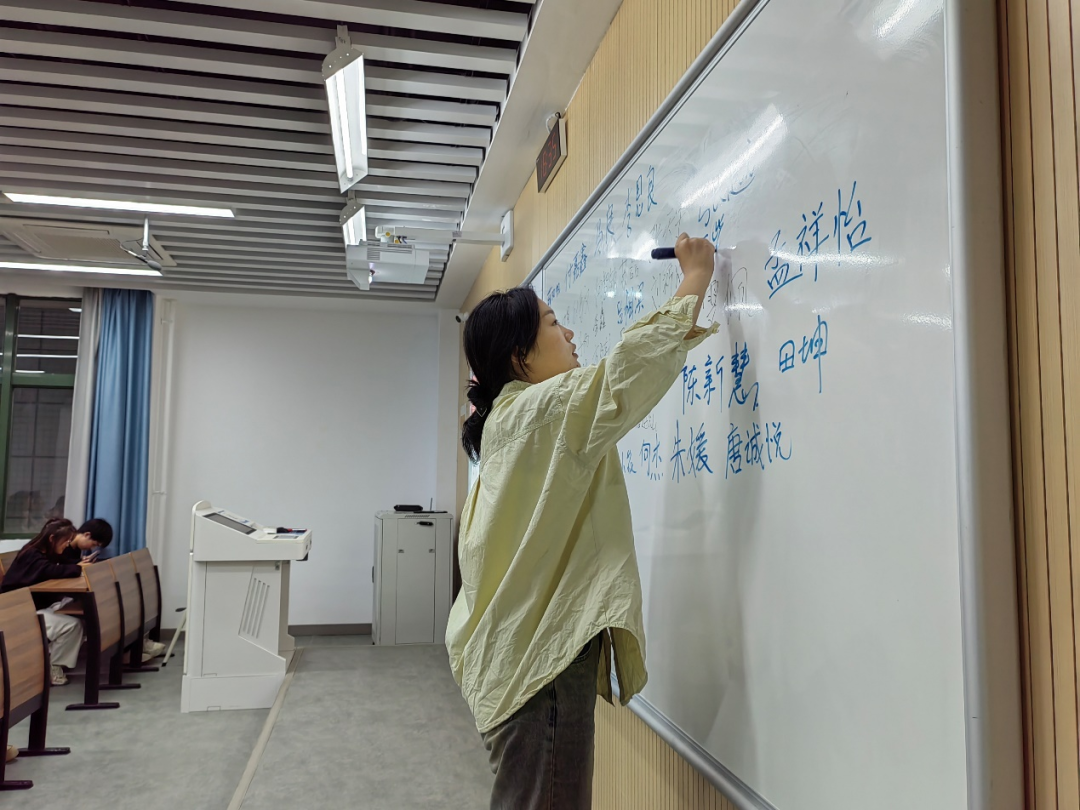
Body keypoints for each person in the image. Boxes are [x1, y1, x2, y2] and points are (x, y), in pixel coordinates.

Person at [446, 234, 721, 809]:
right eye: (553, 323)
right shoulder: (541, 412)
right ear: (520, 356)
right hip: (539, 672)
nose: (569, 334)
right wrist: (695, 277)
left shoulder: (507, 423)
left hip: (518, 664)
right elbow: (628, 372)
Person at [0, 518, 95, 685]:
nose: (67, 545)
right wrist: (78, 568)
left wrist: (78, 565)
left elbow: (62, 564)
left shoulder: (44, 551)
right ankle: (53, 666)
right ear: (52, 538)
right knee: (73, 625)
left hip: (34, 604)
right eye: (66, 541)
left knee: (79, 612)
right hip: (16, 612)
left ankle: (48, 657)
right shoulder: (32, 554)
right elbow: (50, 570)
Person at [63, 518, 167, 662]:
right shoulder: (64, 547)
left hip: (77, 592)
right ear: (87, 535)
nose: (92, 548)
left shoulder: (75, 550)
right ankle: (126, 652)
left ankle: (136, 645)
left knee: (123, 603)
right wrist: (78, 566)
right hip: (66, 597)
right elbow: (63, 568)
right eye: (94, 544)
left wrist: (81, 564)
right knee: (112, 608)